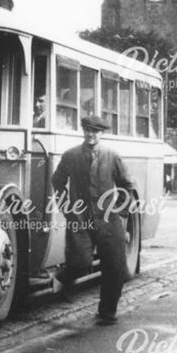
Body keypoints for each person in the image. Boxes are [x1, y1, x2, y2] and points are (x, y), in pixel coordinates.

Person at [51, 115, 136, 325]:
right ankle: (62, 278)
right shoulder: (71, 156)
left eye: (95, 131)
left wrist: (120, 212)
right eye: (87, 130)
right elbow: (57, 181)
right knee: (80, 263)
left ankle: (107, 313)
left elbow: (127, 186)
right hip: (81, 219)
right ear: (83, 131)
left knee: (115, 268)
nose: (91, 134)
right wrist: (67, 209)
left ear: (101, 134)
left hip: (108, 220)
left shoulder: (112, 156)